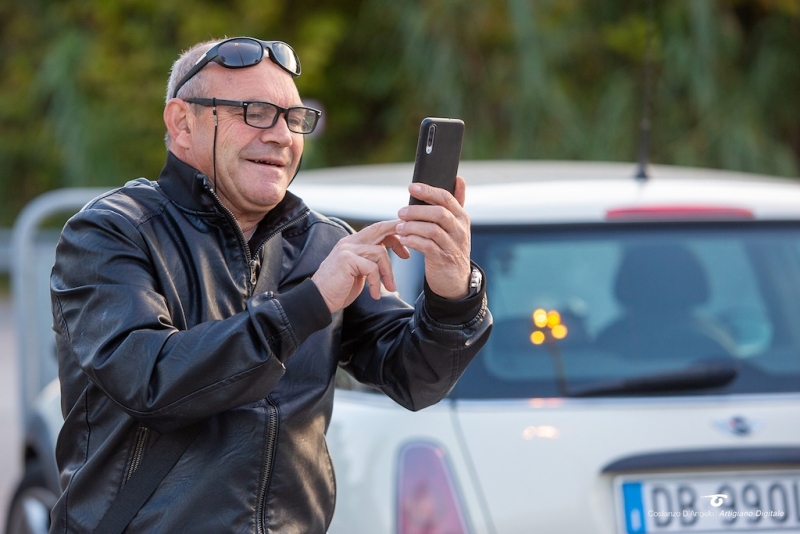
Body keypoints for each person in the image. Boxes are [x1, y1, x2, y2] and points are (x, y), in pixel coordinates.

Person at [49, 37, 491, 533]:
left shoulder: (323, 242)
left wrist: (452, 293)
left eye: (294, 118)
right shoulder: (108, 233)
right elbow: (152, 382)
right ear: (182, 123)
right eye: (255, 112)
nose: (282, 135)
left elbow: (416, 378)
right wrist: (309, 303)